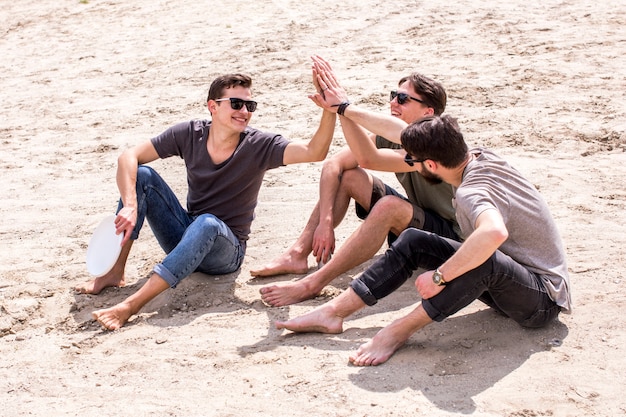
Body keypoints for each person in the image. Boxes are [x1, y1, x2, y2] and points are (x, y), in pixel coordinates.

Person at [275, 114, 572, 366]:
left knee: (485, 257)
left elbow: (493, 233)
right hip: (510, 283)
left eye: (413, 161)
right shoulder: (478, 155)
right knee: (414, 238)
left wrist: (440, 277)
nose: (410, 164)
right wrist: (344, 108)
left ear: (429, 165)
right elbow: (396, 131)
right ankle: (333, 312)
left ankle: (396, 332)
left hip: (540, 301)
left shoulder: (471, 193)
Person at [75, 72, 336, 330]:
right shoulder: (190, 134)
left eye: (250, 106)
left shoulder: (259, 145)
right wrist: (130, 205)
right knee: (142, 175)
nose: (244, 111)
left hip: (225, 252)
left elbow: (314, 152)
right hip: (187, 234)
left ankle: (130, 306)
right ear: (213, 106)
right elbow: (128, 157)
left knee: (208, 223)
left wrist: (329, 111)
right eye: (236, 103)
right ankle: (114, 271)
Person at [254, 56, 460, 307]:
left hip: (452, 242)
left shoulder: (434, 143)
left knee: (389, 206)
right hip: (421, 220)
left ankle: (314, 283)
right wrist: (326, 221)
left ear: (428, 112)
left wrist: (342, 108)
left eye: (403, 99)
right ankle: (297, 253)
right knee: (349, 176)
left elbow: (367, 158)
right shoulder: (393, 137)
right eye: (394, 95)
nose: (394, 102)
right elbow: (334, 165)